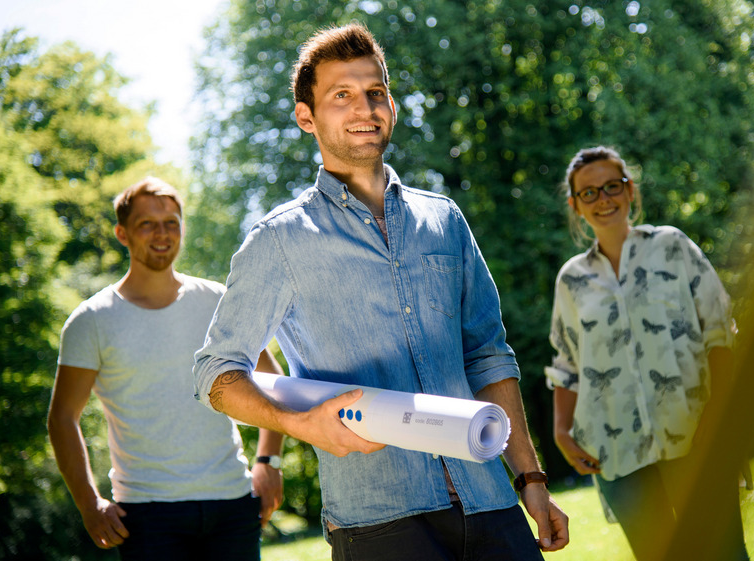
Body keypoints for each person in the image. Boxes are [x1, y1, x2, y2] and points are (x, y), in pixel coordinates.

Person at [193, 23, 569, 561]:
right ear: (307, 117)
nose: (363, 109)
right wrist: (301, 425)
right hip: (378, 523)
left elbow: (488, 356)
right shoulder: (278, 240)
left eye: (375, 93)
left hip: (490, 504)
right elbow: (215, 374)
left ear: (390, 104)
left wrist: (530, 477)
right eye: (340, 96)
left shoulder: (444, 220)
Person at [47, 177, 285, 560]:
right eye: (147, 224)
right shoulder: (90, 320)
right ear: (122, 234)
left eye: (171, 222)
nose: (162, 233)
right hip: (146, 514)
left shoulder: (218, 301)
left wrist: (268, 461)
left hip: (233, 504)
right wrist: (90, 504)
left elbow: (273, 383)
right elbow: (62, 419)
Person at [545, 146, 749, 560]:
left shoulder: (673, 246)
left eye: (612, 186)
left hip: (695, 434)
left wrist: (719, 412)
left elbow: (719, 333)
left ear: (629, 190)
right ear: (575, 205)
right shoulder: (572, 280)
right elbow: (567, 365)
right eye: (589, 193)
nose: (603, 199)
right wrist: (562, 432)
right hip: (616, 455)